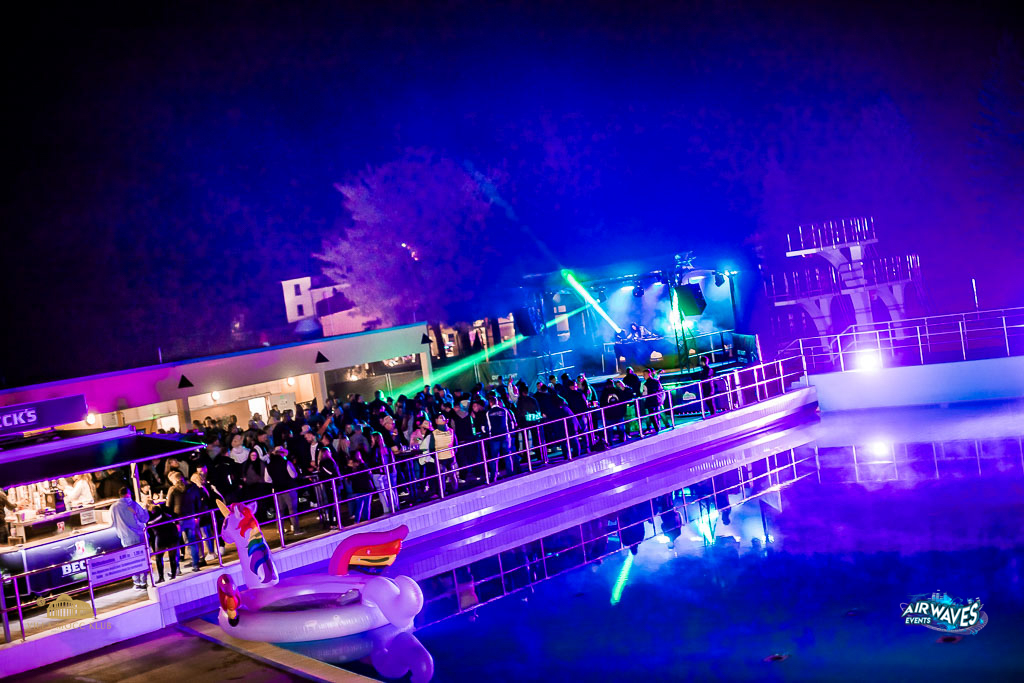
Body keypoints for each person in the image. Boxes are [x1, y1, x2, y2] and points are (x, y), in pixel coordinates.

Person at [109, 487, 150, 589]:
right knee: (142, 559)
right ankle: (143, 582)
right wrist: (145, 508)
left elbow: (112, 523)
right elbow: (144, 518)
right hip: (139, 536)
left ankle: (136, 582)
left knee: (132, 561)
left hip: (125, 538)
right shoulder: (133, 504)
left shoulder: (113, 507)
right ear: (128, 494)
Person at [166, 471, 204, 572]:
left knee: (176, 544)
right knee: (192, 542)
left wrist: (173, 520)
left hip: (178, 520)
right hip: (191, 517)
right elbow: (198, 502)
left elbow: (168, 506)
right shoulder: (192, 487)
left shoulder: (173, 489)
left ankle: (176, 569)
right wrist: (197, 516)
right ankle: (196, 565)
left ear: (175, 480)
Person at [265, 446, 299, 534]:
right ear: (281, 454)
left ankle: (280, 530)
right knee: (292, 510)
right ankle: (296, 530)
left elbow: (267, 480)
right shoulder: (286, 463)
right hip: (288, 488)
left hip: (277, 490)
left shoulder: (268, 466)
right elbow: (293, 475)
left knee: (279, 511)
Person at [483, 393, 517, 480]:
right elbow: (511, 423)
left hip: (494, 437)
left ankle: (493, 476)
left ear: (490, 403)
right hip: (505, 435)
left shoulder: (488, 413)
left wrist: (486, 432)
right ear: (497, 402)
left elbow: (485, 427)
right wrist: (510, 432)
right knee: (507, 455)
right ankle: (510, 473)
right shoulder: (505, 411)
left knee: (494, 458)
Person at [146, 498, 179, 583]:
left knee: (158, 557)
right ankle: (173, 575)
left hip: (160, 535)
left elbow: (147, 525)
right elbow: (175, 515)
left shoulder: (148, 514)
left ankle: (161, 577)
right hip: (172, 533)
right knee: (172, 556)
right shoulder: (163, 509)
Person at [642, 367, 665, 433]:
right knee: (658, 414)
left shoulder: (646, 384)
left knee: (652, 416)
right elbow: (661, 390)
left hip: (650, 402)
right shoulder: (656, 381)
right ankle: (659, 427)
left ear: (649, 374)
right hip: (657, 401)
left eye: (644, 375)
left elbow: (644, 394)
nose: (643, 376)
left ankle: (657, 428)